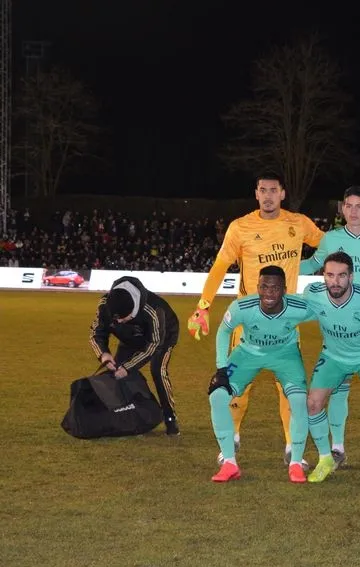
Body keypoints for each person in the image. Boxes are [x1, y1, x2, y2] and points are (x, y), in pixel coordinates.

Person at [187, 172, 325, 467]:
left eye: (273, 190)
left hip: (286, 319)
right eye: (263, 190)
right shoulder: (240, 228)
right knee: (237, 387)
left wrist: (355, 233)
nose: (268, 196)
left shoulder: (298, 223)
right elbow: (219, 266)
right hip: (247, 320)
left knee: (289, 388)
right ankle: (230, 439)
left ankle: (292, 445)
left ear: (283, 194)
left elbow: (327, 245)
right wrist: (203, 306)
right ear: (256, 193)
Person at [300, 186, 360, 466]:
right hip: (339, 319)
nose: (353, 211)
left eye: (359, 206)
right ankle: (338, 447)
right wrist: (281, 266)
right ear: (342, 209)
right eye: (349, 206)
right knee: (338, 388)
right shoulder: (331, 239)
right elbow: (314, 264)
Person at [207, 266, 315, 483]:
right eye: (264, 287)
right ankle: (229, 462)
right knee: (217, 396)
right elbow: (224, 330)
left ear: (284, 289)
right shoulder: (241, 307)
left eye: (275, 288)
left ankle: (295, 463)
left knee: (298, 399)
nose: (268, 293)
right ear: (257, 287)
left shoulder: (300, 307)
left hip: (285, 355)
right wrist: (221, 368)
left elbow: (329, 310)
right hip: (247, 354)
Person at [300, 251, 360, 483]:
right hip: (333, 355)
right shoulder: (312, 294)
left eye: (341, 275)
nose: (335, 281)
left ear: (351, 277)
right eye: (329, 275)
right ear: (323, 276)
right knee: (312, 403)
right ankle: (325, 458)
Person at [89, 275, 180, 435]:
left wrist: (128, 367)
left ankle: (170, 418)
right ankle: (126, 418)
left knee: (158, 371)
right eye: (116, 320)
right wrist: (104, 354)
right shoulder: (105, 305)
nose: (119, 322)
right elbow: (96, 332)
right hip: (129, 338)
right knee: (116, 375)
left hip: (162, 337)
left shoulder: (153, 310)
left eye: (124, 318)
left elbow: (153, 345)